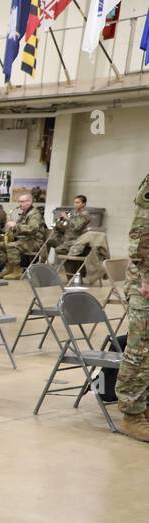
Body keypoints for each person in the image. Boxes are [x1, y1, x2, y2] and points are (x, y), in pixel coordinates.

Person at [117, 174, 149, 442]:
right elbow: (141, 233)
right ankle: (132, 413)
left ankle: (145, 406)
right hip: (146, 282)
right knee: (142, 349)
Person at [2, 191, 48, 278]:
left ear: (29, 202)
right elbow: (19, 227)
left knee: (12, 246)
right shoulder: (24, 214)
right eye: (19, 201)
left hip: (35, 242)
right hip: (25, 240)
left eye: (22, 201)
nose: (20, 204)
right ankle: (9, 267)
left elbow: (33, 228)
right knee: (1, 245)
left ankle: (17, 270)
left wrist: (16, 225)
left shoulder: (35, 214)